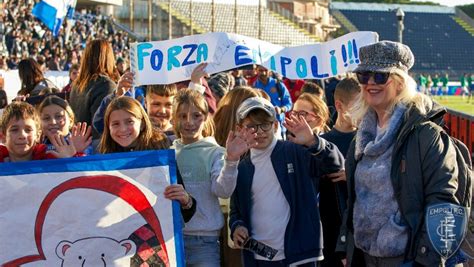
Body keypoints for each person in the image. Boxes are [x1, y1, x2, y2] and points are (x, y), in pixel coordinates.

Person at [338, 41, 469, 266]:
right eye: (364, 76)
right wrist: (346, 245)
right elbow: (356, 198)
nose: (370, 83)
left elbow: (444, 202)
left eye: (380, 76)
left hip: (409, 257)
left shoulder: (427, 135)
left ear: (400, 83)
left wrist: (426, 261)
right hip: (366, 254)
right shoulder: (361, 137)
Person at [228, 96, 344, 266]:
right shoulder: (241, 166)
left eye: (265, 124)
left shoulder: (296, 151)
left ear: (275, 125)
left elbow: (335, 165)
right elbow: (236, 209)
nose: (259, 131)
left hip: (300, 255)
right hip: (259, 257)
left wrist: (314, 141)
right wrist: (237, 226)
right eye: (252, 126)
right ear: (240, 129)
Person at [97, 96, 197, 266]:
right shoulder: (103, 161)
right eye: (115, 124)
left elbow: (186, 211)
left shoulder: (161, 156)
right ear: (108, 127)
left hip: (155, 246)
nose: (123, 129)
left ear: (142, 122)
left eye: (129, 121)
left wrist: (185, 200)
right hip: (117, 248)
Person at [172, 89, 249, 267]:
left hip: (204, 242)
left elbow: (222, 190)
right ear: (174, 119)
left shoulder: (216, 153)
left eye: (196, 115)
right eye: (182, 116)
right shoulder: (168, 153)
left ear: (206, 117)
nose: (189, 122)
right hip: (172, 239)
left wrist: (231, 161)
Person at [318, 77, 361, 267]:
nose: (364, 112)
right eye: (358, 106)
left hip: (359, 231)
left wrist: (352, 174)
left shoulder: (369, 141)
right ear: (339, 105)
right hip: (329, 230)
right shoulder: (320, 144)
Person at [69, 39, 118, 142]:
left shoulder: (76, 84)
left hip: (79, 144)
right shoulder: (105, 85)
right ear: (108, 57)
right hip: (96, 145)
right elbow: (101, 127)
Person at [0, 102, 80, 162]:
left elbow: (82, 176)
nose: (22, 135)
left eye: (28, 130)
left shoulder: (50, 160)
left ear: (38, 136)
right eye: (14, 130)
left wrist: (70, 160)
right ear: (3, 137)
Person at [253, 65, 292, 138]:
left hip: (279, 126)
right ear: (256, 70)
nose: (264, 73)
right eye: (261, 71)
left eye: (266, 70)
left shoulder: (278, 84)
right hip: (261, 127)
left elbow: (288, 103)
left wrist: (281, 109)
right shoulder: (254, 87)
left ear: (270, 71)